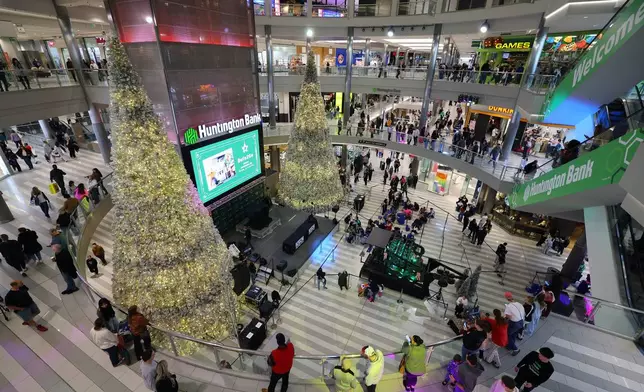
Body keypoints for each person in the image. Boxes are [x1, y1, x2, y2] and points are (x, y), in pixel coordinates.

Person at [504, 292, 525, 356]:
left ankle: (515, 349)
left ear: (506, 298)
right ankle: (510, 346)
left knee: (508, 335)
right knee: (514, 334)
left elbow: (508, 316)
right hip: (521, 321)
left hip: (514, 323)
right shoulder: (519, 304)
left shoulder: (509, 306)